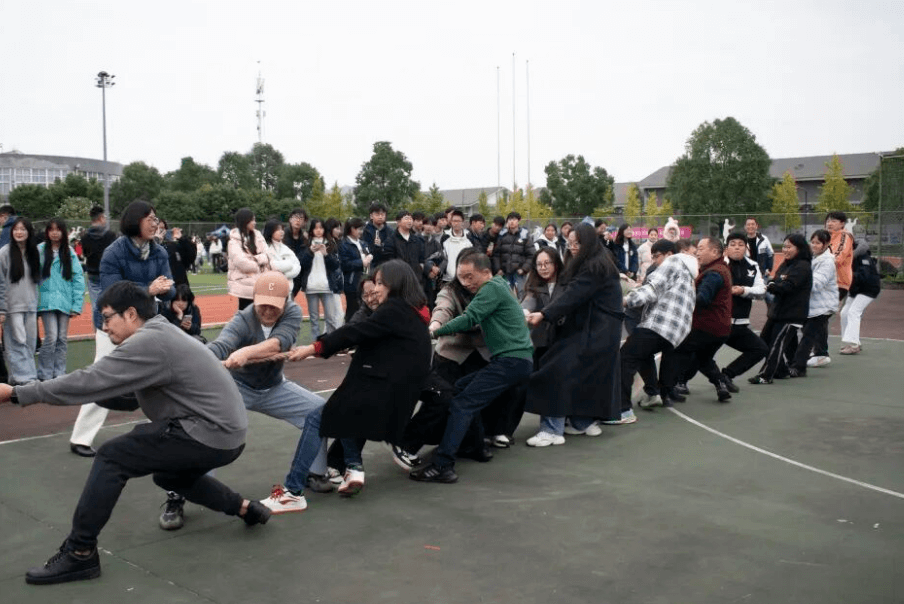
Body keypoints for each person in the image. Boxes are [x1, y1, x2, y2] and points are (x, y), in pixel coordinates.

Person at [2, 281, 269, 586]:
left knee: (113, 456)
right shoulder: (161, 333)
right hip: (227, 435)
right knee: (169, 476)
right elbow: (123, 397)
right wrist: (91, 391)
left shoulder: (148, 341)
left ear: (130, 314)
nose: (104, 327)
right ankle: (244, 508)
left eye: (106, 318)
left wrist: (16, 394)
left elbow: (90, 379)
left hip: (209, 431)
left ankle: (80, 553)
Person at [159, 271, 331, 527]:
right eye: (263, 304)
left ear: (285, 302)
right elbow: (221, 345)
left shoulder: (293, 313)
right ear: (253, 298)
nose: (268, 311)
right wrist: (196, 360)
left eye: (275, 306)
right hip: (236, 389)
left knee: (319, 412)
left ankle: (315, 473)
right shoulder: (243, 319)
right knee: (201, 430)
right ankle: (178, 495)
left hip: (274, 388)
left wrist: (246, 352)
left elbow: (278, 344)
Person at [289, 260, 432, 496]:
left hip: (383, 387)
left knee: (322, 417)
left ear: (394, 284)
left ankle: (291, 490)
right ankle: (353, 468)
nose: (374, 288)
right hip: (399, 389)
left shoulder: (393, 308)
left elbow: (356, 331)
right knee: (345, 410)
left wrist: (316, 347)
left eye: (379, 283)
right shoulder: (414, 312)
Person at [410, 253, 533, 483]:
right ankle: (472, 445)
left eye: (470, 276)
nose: (466, 282)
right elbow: (444, 308)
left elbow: (468, 318)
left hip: (511, 361)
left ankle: (443, 465)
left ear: (486, 273)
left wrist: (433, 332)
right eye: (461, 277)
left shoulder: (490, 289)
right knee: (460, 387)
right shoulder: (499, 285)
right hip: (514, 360)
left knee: (461, 403)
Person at [68, 201, 175, 458]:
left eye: (156, 218)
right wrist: (148, 289)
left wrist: (162, 288)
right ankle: (80, 438)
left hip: (147, 324)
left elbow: (170, 288)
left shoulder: (159, 252)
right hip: (112, 326)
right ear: (134, 221)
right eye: (149, 218)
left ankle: (164, 429)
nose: (155, 223)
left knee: (161, 378)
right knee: (103, 377)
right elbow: (111, 294)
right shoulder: (114, 252)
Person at [524, 225, 623, 445]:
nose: (573, 247)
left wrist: (543, 314)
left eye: (577, 243)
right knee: (587, 377)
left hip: (595, 331)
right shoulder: (598, 261)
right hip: (600, 331)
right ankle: (581, 422)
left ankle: (552, 430)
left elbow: (572, 295)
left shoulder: (594, 266)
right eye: (570, 243)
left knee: (554, 370)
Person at [622, 239, 697, 409]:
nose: (654, 261)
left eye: (657, 256)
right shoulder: (688, 274)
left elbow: (652, 289)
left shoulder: (672, 263)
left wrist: (625, 300)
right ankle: (656, 392)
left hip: (660, 324)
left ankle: (622, 408)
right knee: (643, 353)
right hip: (677, 331)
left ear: (669, 254)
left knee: (625, 357)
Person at [665, 237, 735, 403]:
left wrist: (682, 294)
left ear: (715, 252)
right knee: (703, 358)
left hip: (706, 326)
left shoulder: (714, 273)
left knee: (677, 350)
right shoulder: (720, 269)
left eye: (702, 248)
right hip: (722, 328)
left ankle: (669, 386)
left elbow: (702, 298)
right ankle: (720, 384)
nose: (697, 252)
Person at [749, 234, 813, 384]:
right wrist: (773, 284)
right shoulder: (786, 264)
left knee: (775, 345)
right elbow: (777, 281)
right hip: (777, 313)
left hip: (792, 315)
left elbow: (787, 286)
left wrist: (772, 285)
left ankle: (766, 375)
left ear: (800, 248)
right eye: (784, 246)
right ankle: (781, 370)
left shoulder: (803, 266)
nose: (785, 250)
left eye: (789, 247)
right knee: (762, 343)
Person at [715, 233, 768, 391]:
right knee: (701, 354)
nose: (737, 247)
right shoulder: (719, 265)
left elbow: (761, 290)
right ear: (726, 248)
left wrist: (743, 290)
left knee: (760, 349)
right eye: (733, 244)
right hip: (718, 322)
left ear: (746, 248)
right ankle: (680, 382)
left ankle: (727, 375)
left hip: (740, 324)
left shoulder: (753, 266)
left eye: (740, 244)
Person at [37, 218, 85, 381]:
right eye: (51, 229)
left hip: (64, 301)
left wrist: (76, 305)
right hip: (46, 300)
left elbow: (78, 278)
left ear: (63, 232)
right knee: (51, 337)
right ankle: (45, 373)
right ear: (47, 232)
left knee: (62, 338)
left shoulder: (69, 252)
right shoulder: (40, 250)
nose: (55, 232)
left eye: (58, 229)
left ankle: (59, 373)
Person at [790, 230, 838, 376]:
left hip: (823, 305)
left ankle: (798, 366)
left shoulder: (827, 262)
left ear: (826, 244)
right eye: (812, 242)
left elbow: (817, 283)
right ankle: (821, 354)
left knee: (808, 334)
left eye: (818, 243)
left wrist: (796, 283)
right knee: (815, 330)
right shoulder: (813, 257)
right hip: (814, 305)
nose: (814, 245)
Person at [0, 217, 41, 385]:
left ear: (29, 232)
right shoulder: (4, 252)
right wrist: (2, 309)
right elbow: (0, 283)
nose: (19, 232)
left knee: (30, 345)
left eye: (23, 229)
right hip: (12, 308)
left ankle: (18, 378)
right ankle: (27, 379)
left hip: (31, 306)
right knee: (17, 344)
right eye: (16, 229)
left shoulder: (34, 252)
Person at [300, 218, 343, 337]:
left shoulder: (331, 244)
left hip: (327, 286)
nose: (318, 230)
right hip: (311, 286)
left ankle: (331, 343)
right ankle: (315, 345)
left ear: (324, 229)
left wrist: (326, 254)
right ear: (311, 230)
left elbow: (335, 266)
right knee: (314, 319)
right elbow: (302, 265)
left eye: (321, 228)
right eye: (315, 228)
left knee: (330, 318)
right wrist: (309, 252)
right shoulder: (306, 244)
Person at [839, 238, 881, 355]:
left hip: (869, 289)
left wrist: (847, 275)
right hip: (856, 290)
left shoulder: (864, 258)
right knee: (844, 313)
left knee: (853, 312)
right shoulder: (847, 258)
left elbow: (864, 276)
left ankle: (854, 344)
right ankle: (849, 341)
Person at [80, 206, 117, 329]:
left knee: (96, 306)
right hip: (108, 274)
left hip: (92, 274)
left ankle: (98, 333)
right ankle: (111, 330)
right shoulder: (110, 235)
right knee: (110, 305)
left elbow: (85, 253)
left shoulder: (85, 236)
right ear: (101, 218)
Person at [227, 208, 269, 310]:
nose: (255, 222)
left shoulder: (258, 236)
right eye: (252, 220)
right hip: (245, 287)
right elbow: (243, 264)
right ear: (244, 221)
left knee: (262, 317)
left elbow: (268, 255)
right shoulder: (233, 242)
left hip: (261, 284)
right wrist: (260, 263)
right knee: (246, 318)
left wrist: (254, 259)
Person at [338, 217, 373, 323]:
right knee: (352, 310)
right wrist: (361, 262)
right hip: (352, 283)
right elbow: (344, 264)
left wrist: (370, 257)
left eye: (361, 229)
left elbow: (368, 255)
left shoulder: (362, 243)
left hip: (364, 280)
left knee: (366, 309)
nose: (360, 232)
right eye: (358, 229)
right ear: (351, 229)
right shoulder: (344, 244)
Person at [492, 212, 533, 296]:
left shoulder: (524, 235)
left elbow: (531, 255)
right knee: (504, 296)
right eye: (510, 219)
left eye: (514, 219)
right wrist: (498, 269)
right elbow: (496, 254)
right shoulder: (502, 235)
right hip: (505, 272)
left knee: (521, 295)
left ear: (518, 221)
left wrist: (524, 269)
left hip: (519, 273)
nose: (512, 221)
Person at [386, 210, 426, 291]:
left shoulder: (416, 240)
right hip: (399, 280)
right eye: (406, 218)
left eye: (411, 219)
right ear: (398, 222)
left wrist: (420, 268)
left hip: (416, 279)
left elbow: (421, 258)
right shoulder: (391, 240)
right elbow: (389, 260)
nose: (409, 221)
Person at [440, 209, 473, 286]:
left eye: (458, 221)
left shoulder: (469, 237)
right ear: (450, 222)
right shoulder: (445, 237)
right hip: (448, 279)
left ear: (463, 222)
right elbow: (442, 257)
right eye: (454, 221)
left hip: (464, 279)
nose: (456, 223)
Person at [264, 218, 301, 283]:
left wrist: (283, 275)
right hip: (271, 287)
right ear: (270, 231)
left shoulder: (286, 248)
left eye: (282, 229)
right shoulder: (265, 248)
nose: (281, 231)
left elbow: (297, 266)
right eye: (278, 229)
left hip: (287, 289)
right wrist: (289, 264)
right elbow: (269, 268)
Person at [284, 208, 310, 300]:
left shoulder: (305, 239)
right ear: (290, 219)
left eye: (301, 218)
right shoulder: (282, 235)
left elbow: (306, 258)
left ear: (304, 222)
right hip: (284, 275)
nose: (298, 220)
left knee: (290, 301)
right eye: (295, 217)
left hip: (297, 276)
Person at [361, 202, 393, 267]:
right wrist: (375, 246)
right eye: (377, 214)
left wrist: (381, 246)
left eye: (382, 214)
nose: (380, 217)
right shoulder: (366, 230)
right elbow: (364, 249)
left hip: (388, 264)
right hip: (372, 265)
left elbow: (391, 249)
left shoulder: (390, 231)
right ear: (371, 216)